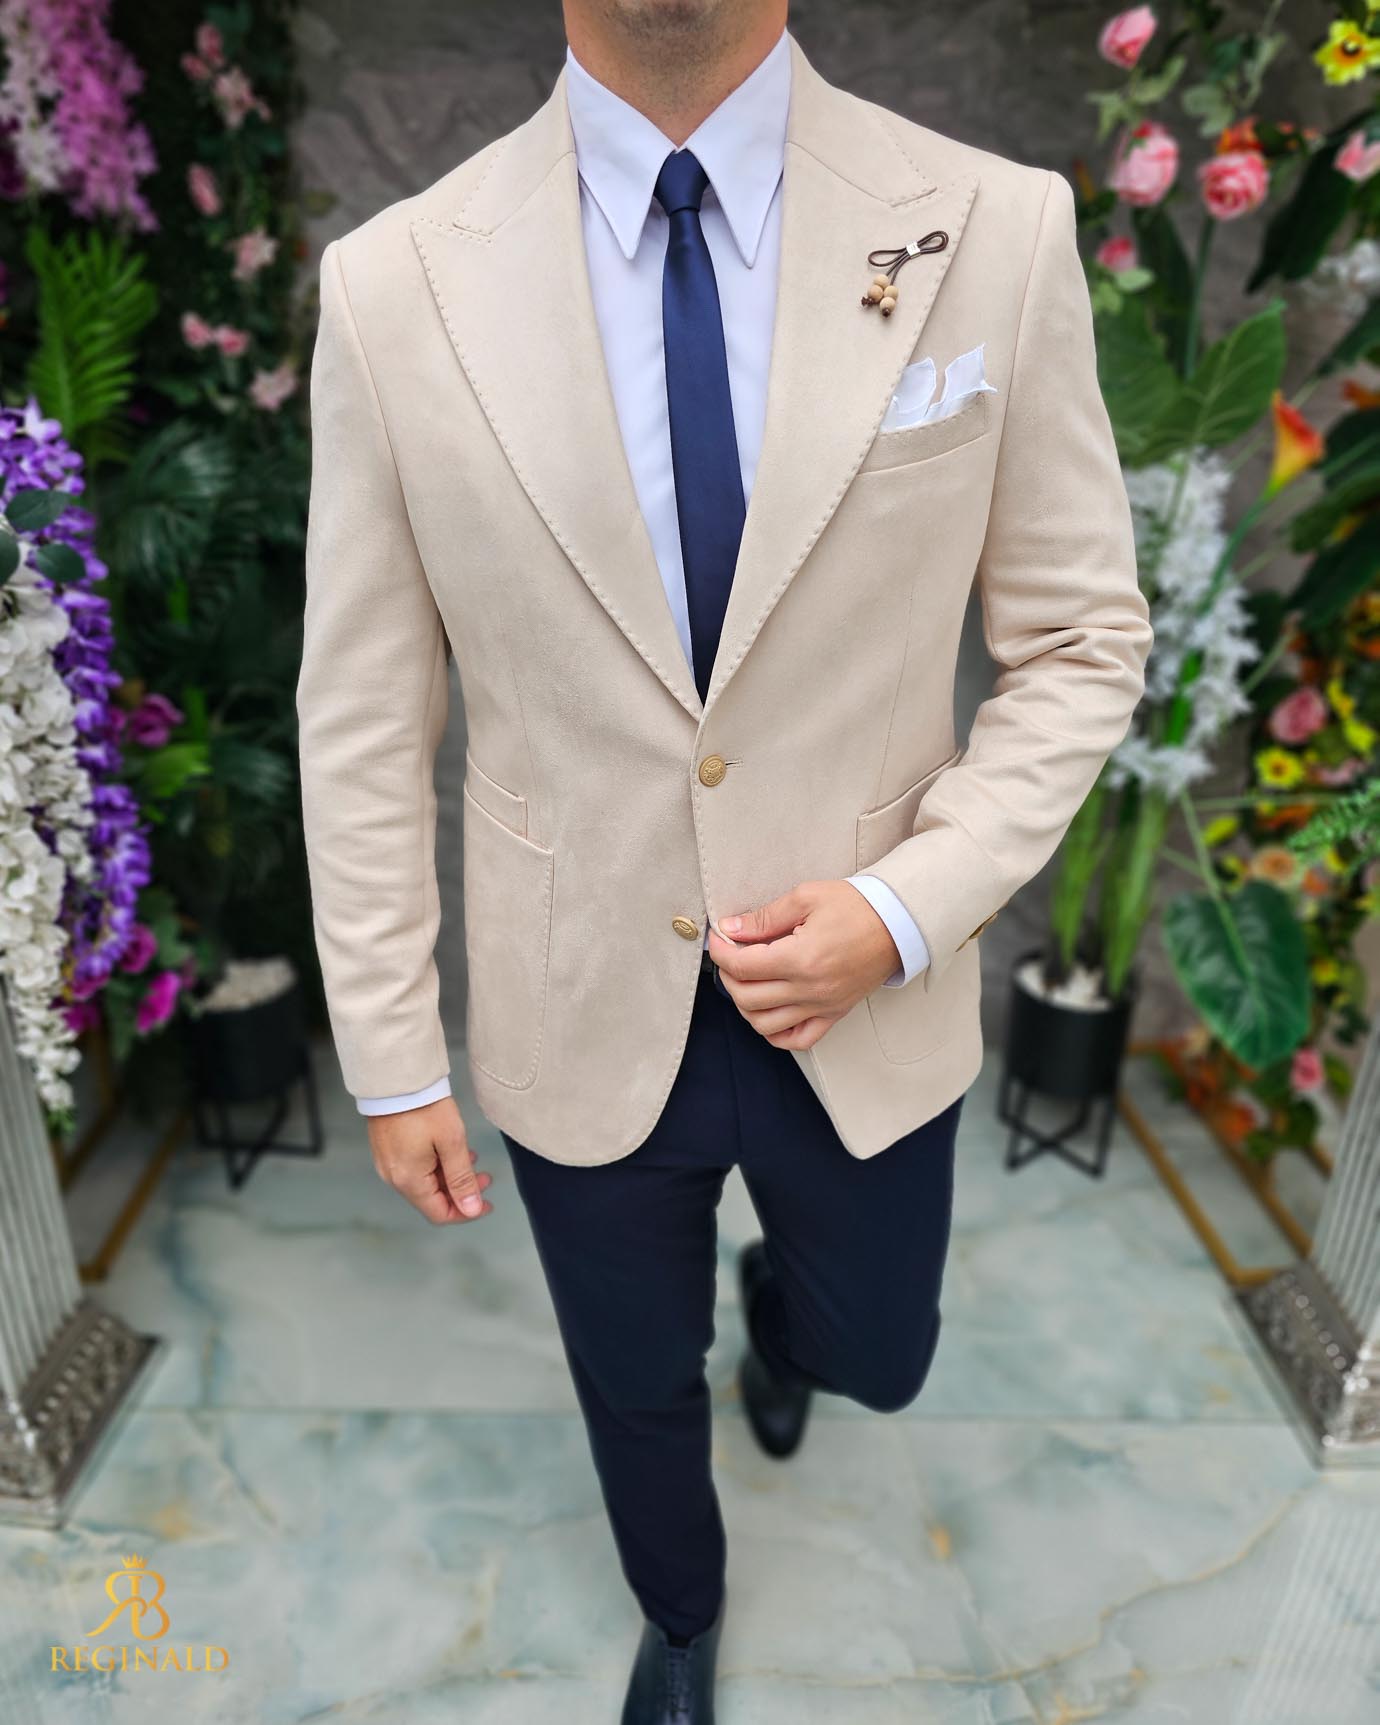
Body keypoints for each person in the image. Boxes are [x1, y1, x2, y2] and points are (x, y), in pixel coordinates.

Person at [297, 2, 1153, 1718]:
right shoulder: (394, 285)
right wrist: (393, 1051)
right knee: (630, 1379)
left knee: (882, 1356)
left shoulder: (993, 227)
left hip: (865, 983)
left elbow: (1080, 639)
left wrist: (904, 908)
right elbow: (366, 713)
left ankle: (793, 1315)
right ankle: (679, 1615)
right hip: (572, 982)